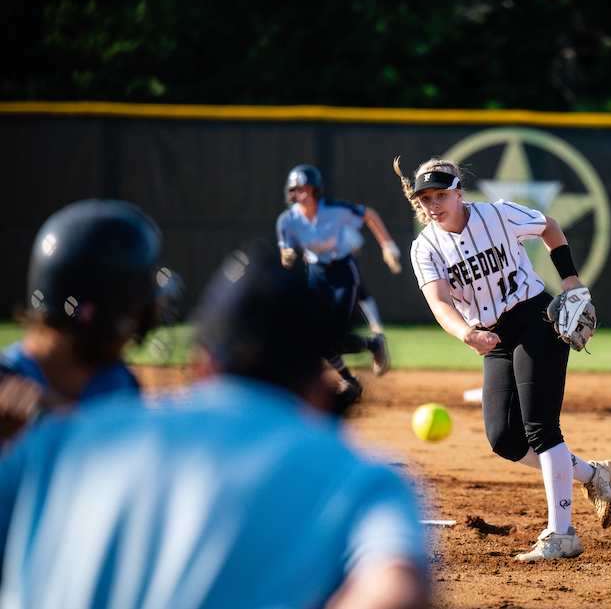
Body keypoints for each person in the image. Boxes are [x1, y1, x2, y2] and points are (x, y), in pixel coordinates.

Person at [0, 241, 430, 609]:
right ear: (320, 386)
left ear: (201, 363)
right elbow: (395, 590)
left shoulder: (64, 442)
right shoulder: (361, 477)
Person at [394, 156, 611, 561]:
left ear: (459, 192)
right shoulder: (424, 247)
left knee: (540, 427)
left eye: (440, 194)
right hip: (491, 335)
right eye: (424, 198)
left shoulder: (497, 216)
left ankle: (562, 533)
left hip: (534, 317)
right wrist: (467, 333)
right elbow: (440, 303)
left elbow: (549, 226)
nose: (432, 204)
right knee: (504, 439)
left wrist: (569, 277)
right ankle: (593, 473)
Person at [0, 199, 178, 443]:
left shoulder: (117, 383)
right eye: (132, 316)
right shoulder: (6, 382)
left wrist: (53, 418)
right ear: (101, 317)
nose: (134, 332)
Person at [277, 165, 399, 399]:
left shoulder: (334, 210)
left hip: (343, 272)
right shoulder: (287, 220)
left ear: (316, 191)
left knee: (337, 340)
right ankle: (350, 380)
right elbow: (286, 257)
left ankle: (375, 346)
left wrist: (388, 245)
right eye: (296, 190)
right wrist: (287, 257)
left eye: (305, 189)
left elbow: (369, 214)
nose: (300, 195)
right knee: (318, 339)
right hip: (315, 274)